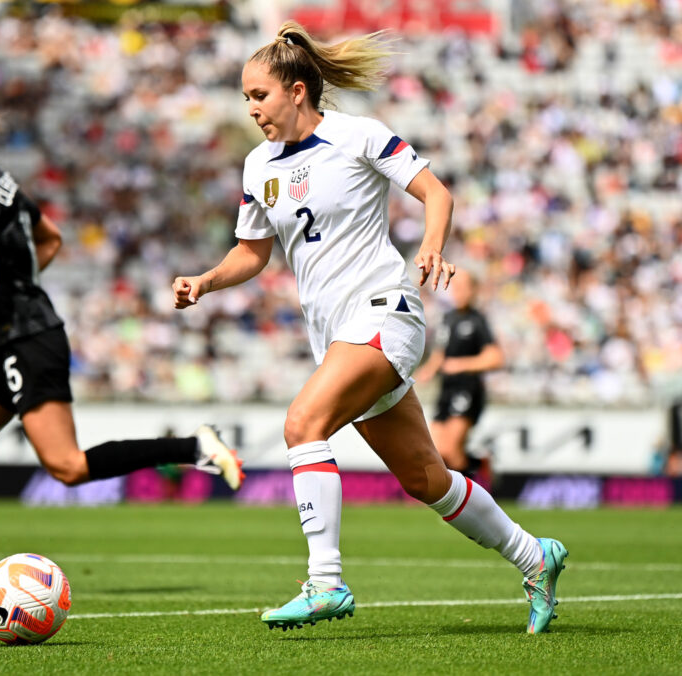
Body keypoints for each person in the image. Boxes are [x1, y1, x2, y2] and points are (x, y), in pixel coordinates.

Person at [173, 22, 567, 634]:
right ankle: (533, 556)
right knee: (427, 479)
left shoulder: (358, 135)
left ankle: (325, 583)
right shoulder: (258, 167)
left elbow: (435, 193)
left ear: (297, 91)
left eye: (258, 96)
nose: (251, 109)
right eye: (246, 98)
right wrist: (206, 281)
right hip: (338, 336)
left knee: (303, 424)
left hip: (387, 312)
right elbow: (252, 253)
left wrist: (432, 247)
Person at [0, 91, 244, 599]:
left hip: (29, 339)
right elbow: (50, 238)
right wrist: (10, 291)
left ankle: (196, 446)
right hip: (12, 338)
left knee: (68, 466)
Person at [414, 271, 503, 476]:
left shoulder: (478, 320)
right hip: (446, 389)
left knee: (452, 451)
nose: (459, 293)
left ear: (474, 291)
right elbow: (440, 353)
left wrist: (460, 365)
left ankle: (469, 501)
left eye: (464, 288)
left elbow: (496, 358)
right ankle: (479, 462)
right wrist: (427, 372)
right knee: (437, 452)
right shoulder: (448, 318)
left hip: (467, 390)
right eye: (456, 288)